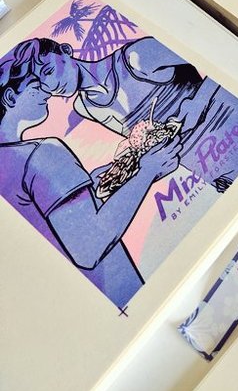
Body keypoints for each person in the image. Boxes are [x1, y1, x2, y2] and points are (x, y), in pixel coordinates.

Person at [0, 49, 180, 308]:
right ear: (10, 97)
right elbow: (89, 247)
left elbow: (52, 225)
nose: (48, 92)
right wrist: (147, 172)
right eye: (37, 86)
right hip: (122, 295)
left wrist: (89, 189)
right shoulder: (40, 153)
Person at [24, 32, 238, 195]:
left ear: (66, 50)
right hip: (217, 174)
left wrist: (195, 104)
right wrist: (123, 169)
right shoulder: (86, 107)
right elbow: (145, 142)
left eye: (48, 71)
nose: (51, 86)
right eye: (40, 83)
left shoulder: (135, 57)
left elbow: (219, 60)